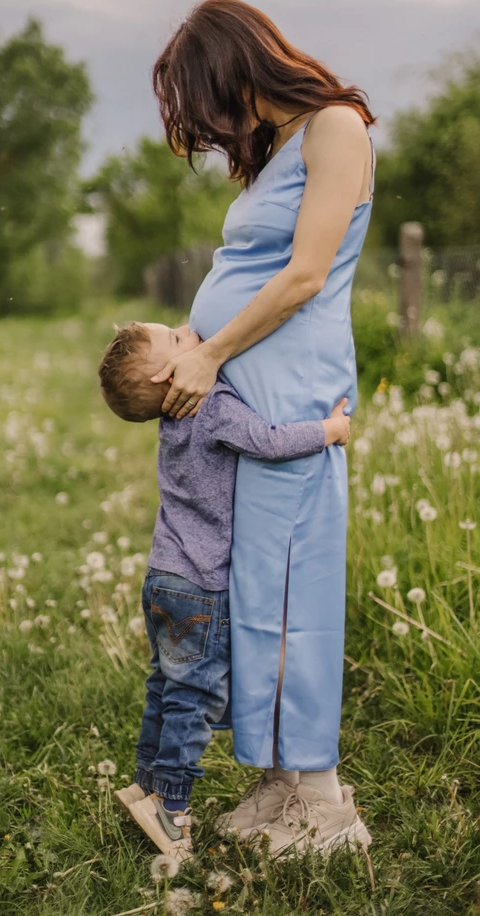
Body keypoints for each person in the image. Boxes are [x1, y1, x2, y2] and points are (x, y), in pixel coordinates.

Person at [146, 0, 376, 855]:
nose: (211, 128)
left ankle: (322, 801)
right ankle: (280, 782)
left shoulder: (335, 130)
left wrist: (209, 357)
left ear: (241, 69)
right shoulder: (278, 143)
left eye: (208, 101)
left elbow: (307, 274)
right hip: (253, 388)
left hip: (292, 388)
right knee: (255, 594)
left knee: (295, 592)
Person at [97, 318, 354, 860]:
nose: (187, 329)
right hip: (201, 583)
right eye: (174, 337)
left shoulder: (173, 417)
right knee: (193, 697)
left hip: (164, 577)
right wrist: (330, 432)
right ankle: (170, 808)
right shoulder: (208, 406)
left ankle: (145, 784)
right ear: (172, 378)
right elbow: (268, 441)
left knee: (164, 686)